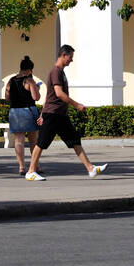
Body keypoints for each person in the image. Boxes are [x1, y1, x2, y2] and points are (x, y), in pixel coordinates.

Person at [25, 45, 107, 181]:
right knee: (41, 142)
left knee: (74, 139)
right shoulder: (56, 72)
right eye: (70, 57)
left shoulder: (61, 72)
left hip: (59, 115)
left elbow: (48, 95)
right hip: (52, 115)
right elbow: (58, 93)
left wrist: (41, 113)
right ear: (63, 55)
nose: (71, 60)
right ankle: (31, 171)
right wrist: (76, 105)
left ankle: (90, 169)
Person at [4, 56, 41, 175]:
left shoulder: (11, 80)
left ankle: (21, 167)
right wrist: (36, 88)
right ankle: (35, 165)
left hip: (15, 112)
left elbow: (7, 97)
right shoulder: (29, 81)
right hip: (28, 111)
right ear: (30, 70)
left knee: (18, 141)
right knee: (33, 141)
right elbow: (36, 97)